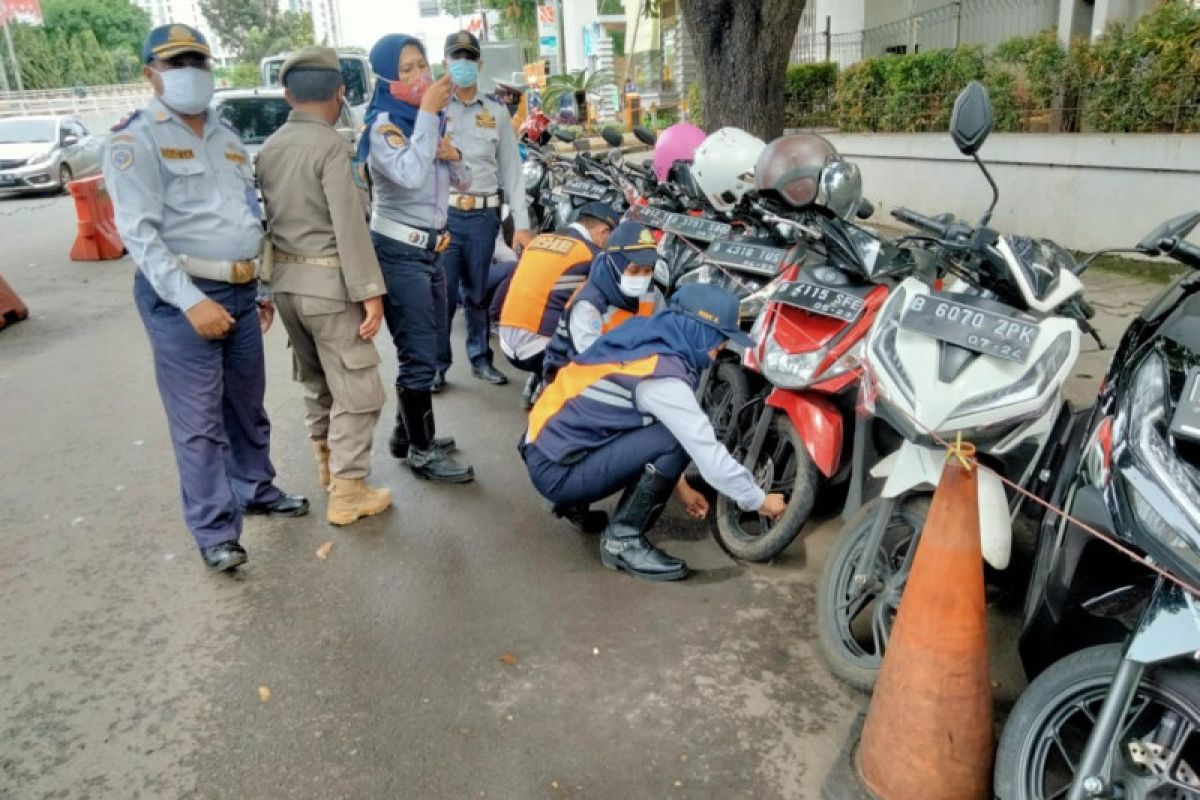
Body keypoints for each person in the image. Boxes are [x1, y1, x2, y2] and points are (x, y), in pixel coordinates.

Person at [105, 23, 308, 573]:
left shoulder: (225, 134)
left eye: (197, 59)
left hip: (242, 291)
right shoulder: (135, 139)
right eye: (175, 63)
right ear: (151, 75)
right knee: (198, 422)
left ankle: (256, 489)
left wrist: (259, 283)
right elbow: (139, 235)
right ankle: (216, 531)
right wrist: (191, 301)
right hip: (182, 297)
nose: (190, 71)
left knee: (246, 406)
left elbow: (246, 214)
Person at [520, 283, 787, 581]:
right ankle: (621, 540)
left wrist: (681, 486)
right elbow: (708, 456)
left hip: (542, 442)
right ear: (699, 330)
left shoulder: (645, 334)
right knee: (674, 437)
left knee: (654, 426)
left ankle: (574, 502)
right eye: (720, 339)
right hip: (556, 471)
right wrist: (759, 500)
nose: (721, 348)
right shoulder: (663, 378)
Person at [256, 46, 392, 526]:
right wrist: (369, 292)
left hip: (288, 284)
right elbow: (350, 224)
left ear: (289, 95)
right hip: (330, 286)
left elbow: (266, 223)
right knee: (359, 389)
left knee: (317, 383)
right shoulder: (332, 146)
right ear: (339, 94)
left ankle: (328, 471)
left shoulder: (270, 149)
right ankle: (349, 490)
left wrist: (265, 288)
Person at [359, 33, 475, 483]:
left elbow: (462, 181)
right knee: (418, 354)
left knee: (430, 344)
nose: (418, 75)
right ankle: (422, 452)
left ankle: (405, 436)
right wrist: (427, 115)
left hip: (431, 250)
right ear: (386, 77)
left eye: (421, 64)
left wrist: (454, 153)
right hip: (399, 251)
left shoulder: (432, 122)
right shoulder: (385, 125)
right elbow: (409, 175)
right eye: (405, 69)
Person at [434, 31, 532, 390]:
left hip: (483, 217)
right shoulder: (435, 109)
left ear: (479, 64)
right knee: (442, 296)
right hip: (445, 217)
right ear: (445, 62)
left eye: (468, 58)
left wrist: (522, 224)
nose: (462, 64)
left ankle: (479, 358)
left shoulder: (495, 112)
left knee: (476, 293)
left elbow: (512, 171)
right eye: (455, 57)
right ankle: (436, 366)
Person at [497, 201, 618, 408]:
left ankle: (536, 380)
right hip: (538, 350)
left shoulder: (539, 240)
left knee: (554, 302)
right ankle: (554, 391)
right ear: (603, 232)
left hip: (506, 341)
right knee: (599, 313)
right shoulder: (592, 255)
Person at [541, 220, 664, 384]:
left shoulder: (652, 294)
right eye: (634, 270)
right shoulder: (589, 302)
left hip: (628, 364)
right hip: (574, 368)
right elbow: (591, 358)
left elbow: (664, 336)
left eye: (647, 270)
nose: (642, 277)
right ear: (615, 265)